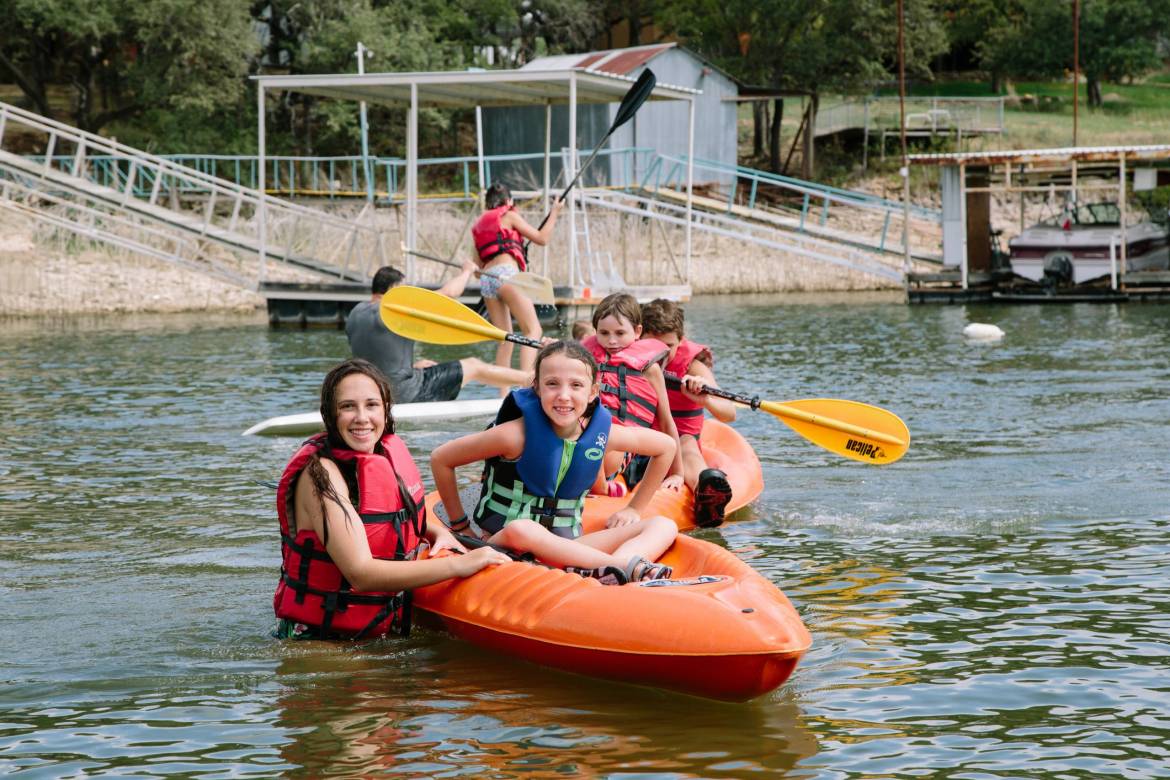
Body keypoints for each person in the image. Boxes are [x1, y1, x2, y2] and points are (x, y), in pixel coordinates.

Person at [273, 359, 510, 640]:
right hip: (320, 643)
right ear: (330, 414)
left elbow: (394, 520)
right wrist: (458, 565)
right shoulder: (320, 476)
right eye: (348, 406)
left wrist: (437, 532)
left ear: (386, 410)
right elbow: (360, 573)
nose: (362, 417)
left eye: (371, 404)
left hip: (375, 630)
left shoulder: (384, 453)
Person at [430, 341, 678, 585]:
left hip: (569, 546)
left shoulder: (602, 434)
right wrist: (461, 527)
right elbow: (441, 459)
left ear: (593, 392)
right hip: (506, 542)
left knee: (663, 525)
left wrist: (634, 508)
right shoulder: (514, 436)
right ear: (536, 387)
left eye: (576, 385)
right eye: (552, 384)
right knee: (524, 529)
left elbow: (666, 447)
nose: (564, 396)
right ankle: (622, 567)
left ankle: (609, 569)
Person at [346, 265, 530, 404]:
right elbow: (448, 294)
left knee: (426, 366)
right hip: (407, 395)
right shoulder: (396, 311)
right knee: (473, 366)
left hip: (375, 394)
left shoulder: (355, 313)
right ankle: (532, 380)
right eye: (403, 289)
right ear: (394, 289)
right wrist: (467, 271)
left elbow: (375, 357)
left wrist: (411, 367)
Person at [641, 298, 738, 527]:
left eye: (667, 347)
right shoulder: (625, 354)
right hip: (640, 433)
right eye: (651, 345)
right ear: (638, 336)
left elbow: (729, 413)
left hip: (681, 437)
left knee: (687, 449)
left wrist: (705, 399)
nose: (659, 355)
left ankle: (707, 493)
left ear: (680, 340)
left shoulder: (694, 366)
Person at [580, 293, 684, 496]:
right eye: (604, 333)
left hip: (617, 447)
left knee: (597, 434)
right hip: (582, 434)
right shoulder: (586, 361)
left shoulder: (650, 370)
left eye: (620, 333)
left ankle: (601, 487)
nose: (611, 341)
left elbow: (666, 421)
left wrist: (678, 473)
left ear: (637, 332)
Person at [470, 183, 563, 377]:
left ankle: (503, 394)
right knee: (533, 331)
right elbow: (541, 238)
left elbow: (477, 271)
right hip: (507, 275)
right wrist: (555, 212)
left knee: (505, 338)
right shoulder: (509, 215)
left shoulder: (478, 225)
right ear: (509, 201)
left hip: (488, 280)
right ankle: (528, 382)